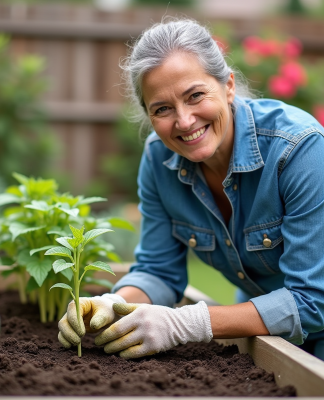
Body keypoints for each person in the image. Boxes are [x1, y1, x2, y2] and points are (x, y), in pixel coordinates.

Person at [58, 18, 324, 360]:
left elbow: (312, 301)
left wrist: (185, 323)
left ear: (228, 85)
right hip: (266, 335)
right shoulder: (159, 159)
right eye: (163, 109)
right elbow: (158, 270)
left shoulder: (299, 150)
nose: (184, 121)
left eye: (195, 95)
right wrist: (115, 302)